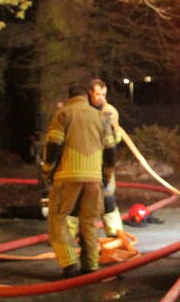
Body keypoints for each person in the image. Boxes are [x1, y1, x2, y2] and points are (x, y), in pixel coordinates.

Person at [43, 84, 116, 278]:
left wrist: (47, 170)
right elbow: (111, 150)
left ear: (70, 97)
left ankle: (69, 264)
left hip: (67, 176)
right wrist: (106, 175)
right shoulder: (101, 117)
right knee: (89, 222)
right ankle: (91, 265)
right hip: (94, 179)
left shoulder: (63, 114)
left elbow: (54, 145)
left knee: (58, 219)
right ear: (87, 96)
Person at [65, 79, 125, 239]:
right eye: (98, 93)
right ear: (90, 93)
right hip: (83, 160)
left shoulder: (110, 111)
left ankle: (114, 231)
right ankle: (69, 233)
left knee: (107, 196)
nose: (100, 97)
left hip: (102, 160)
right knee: (75, 197)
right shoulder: (81, 110)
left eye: (103, 94)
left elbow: (115, 140)